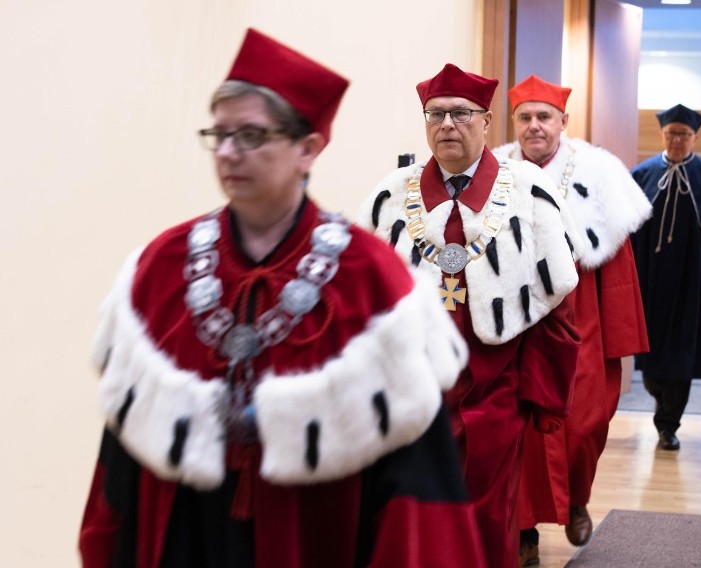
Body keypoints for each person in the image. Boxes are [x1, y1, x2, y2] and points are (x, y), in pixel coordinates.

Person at [78, 29, 488, 568]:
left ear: (307, 148)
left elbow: (417, 502)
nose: (228, 152)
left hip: (317, 539)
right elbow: (119, 473)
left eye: (251, 135)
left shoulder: (370, 280)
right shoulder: (161, 269)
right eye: (219, 134)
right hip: (189, 539)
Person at [358, 64, 581, 568]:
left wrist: (541, 395)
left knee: (486, 517)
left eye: (460, 114)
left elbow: (558, 301)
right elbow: (362, 303)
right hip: (412, 392)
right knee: (410, 512)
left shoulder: (528, 192)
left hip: (493, 391)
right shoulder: (390, 197)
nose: (447, 125)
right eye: (435, 114)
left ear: (485, 122)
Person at [491, 74, 650, 563]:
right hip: (515, 319)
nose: (534, 126)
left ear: (563, 121)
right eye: (525, 118)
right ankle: (524, 536)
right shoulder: (492, 171)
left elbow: (617, 264)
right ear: (513, 123)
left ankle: (577, 496)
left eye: (544, 117)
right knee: (517, 432)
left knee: (583, 426)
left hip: (580, 319)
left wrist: (619, 342)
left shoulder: (598, 174)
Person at [630, 104, 701, 451]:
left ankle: (668, 424)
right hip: (648, 281)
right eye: (671, 133)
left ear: (695, 137)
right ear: (662, 135)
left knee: (682, 355)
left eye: (684, 134)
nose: (677, 140)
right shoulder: (641, 175)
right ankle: (659, 399)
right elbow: (626, 233)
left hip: (691, 283)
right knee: (650, 356)